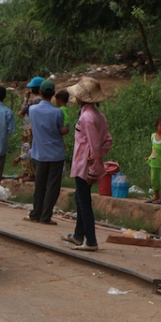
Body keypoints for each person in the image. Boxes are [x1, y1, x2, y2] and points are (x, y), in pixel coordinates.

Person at [62, 77, 113, 252]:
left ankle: (91, 240)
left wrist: (93, 165)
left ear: (82, 98)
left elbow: (94, 145)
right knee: (80, 198)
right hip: (85, 164)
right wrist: (97, 157)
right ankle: (78, 234)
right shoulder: (98, 116)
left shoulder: (88, 118)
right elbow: (107, 141)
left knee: (83, 201)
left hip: (85, 166)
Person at [25, 79, 68, 225]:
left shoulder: (32, 110)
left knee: (40, 185)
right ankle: (45, 216)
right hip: (56, 154)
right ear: (53, 95)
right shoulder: (58, 113)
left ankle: (36, 213)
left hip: (39, 153)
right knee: (52, 186)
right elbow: (61, 131)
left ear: (41, 93)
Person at [18, 76, 44, 181]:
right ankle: (27, 172)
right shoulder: (41, 100)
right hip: (32, 127)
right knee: (27, 148)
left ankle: (30, 173)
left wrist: (25, 98)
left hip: (30, 128)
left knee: (27, 148)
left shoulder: (35, 100)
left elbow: (21, 113)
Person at [145, 115, 161, 204]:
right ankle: (156, 196)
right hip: (154, 162)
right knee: (154, 179)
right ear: (157, 126)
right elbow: (154, 149)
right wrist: (149, 157)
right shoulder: (153, 136)